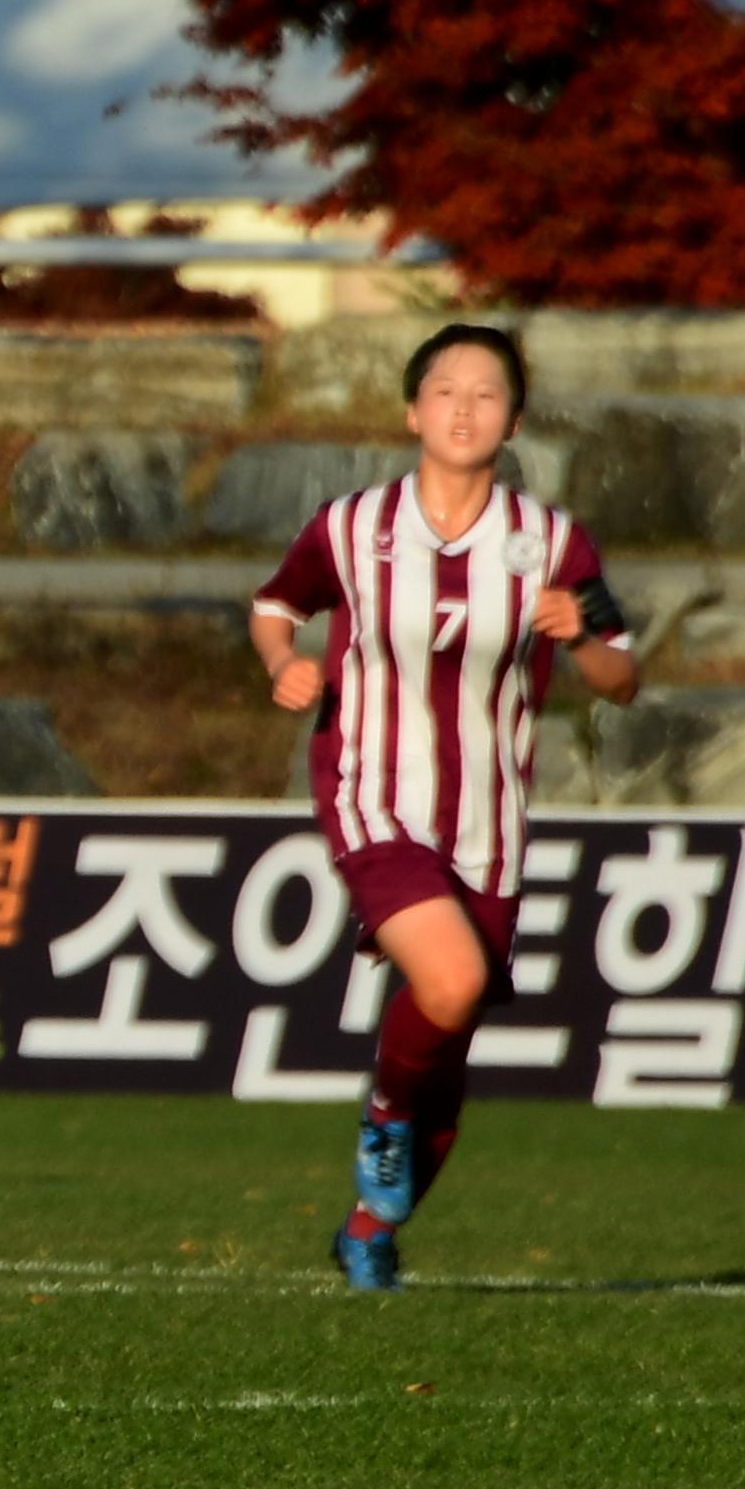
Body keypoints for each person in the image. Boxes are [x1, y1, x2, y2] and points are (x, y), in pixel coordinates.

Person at [250, 319, 641, 1290]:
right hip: (372, 791)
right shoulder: (350, 527)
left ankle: (368, 1233)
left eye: (487, 394)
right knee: (453, 982)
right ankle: (381, 1118)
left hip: (489, 824)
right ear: (412, 410)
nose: (465, 409)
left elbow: (621, 673)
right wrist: (282, 667)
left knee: (450, 1052)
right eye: (446, 391)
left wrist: (579, 636)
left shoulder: (551, 541)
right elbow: (276, 605)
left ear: (512, 419)